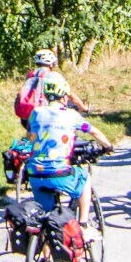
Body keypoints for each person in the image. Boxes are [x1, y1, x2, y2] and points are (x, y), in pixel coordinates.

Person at [26, 79, 98, 220]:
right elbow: (93, 132)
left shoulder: (35, 113)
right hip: (59, 173)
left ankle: (42, 239)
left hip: (34, 174)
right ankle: (84, 224)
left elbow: (29, 137)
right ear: (65, 97)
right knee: (84, 178)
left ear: (45, 96)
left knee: (46, 219)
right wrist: (108, 146)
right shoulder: (71, 115)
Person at [14, 48, 86, 128]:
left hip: (25, 116)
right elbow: (70, 95)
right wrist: (83, 107)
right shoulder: (53, 76)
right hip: (44, 115)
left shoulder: (30, 75)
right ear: (51, 63)